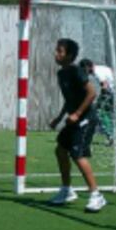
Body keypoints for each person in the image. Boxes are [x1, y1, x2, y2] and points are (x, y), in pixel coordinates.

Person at [48, 39, 106, 212]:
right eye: (56, 51)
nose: (56, 54)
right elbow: (69, 99)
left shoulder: (76, 71)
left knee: (77, 154)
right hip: (73, 119)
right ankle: (66, 190)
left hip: (86, 118)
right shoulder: (61, 74)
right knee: (60, 149)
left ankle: (96, 195)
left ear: (70, 56)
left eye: (60, 51)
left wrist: (78, 114)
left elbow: (92, 92)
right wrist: (59, 118)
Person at [79, 58, 116, 143]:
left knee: (100, 111)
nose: (84, 72)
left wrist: (100, 98)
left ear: (88, 67)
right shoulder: (101, 68)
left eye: (83, 69)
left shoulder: (97, 72)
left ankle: (111, 136)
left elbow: (105, 86)